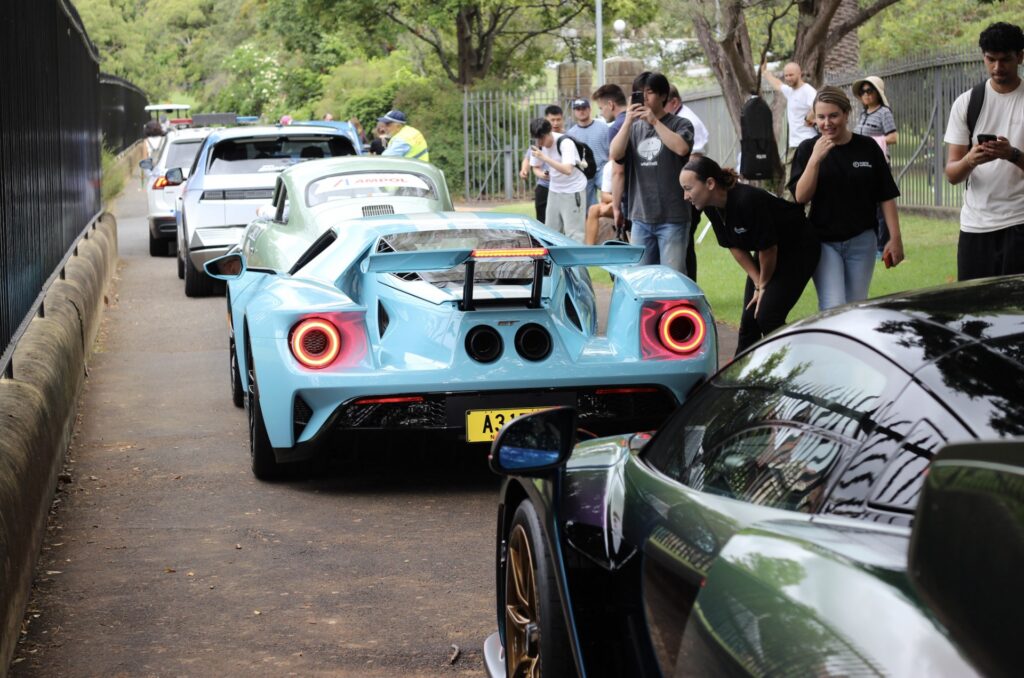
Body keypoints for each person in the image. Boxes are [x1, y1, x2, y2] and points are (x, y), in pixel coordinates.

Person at [681, 156, 819, 354]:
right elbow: (735, 246)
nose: (685, 196)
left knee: (767, 316)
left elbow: (769, 250)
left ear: (710, 183)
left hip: (798, 247)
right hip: (770, 250)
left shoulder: (746, 200)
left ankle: (794, 365)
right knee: (749, 319)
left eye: (688, 188)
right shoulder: (711, 206)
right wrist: (757, 283)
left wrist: (763, 286)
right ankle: (740, 376)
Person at [789, 86, 905, 311]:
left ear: (846, 113)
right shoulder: (807, 149)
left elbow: (886, 195)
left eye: (833, 116)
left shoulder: (867, 147)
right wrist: (815, 160)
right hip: (823, 242)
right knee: (833, 306)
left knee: (855, 307)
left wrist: (895, 237)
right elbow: (800, 196)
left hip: (862, 239)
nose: (827, 123)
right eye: (821, 117)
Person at [943, 21, 1024, 282]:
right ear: (983, 57)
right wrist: (970, 159)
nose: (997, 68)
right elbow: (953, 174)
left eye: (1005, 60)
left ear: (1020, 57)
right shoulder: (967, 103)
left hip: (1019, 221)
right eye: (991, 59)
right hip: (976, 226)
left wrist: (1012, 154)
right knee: (974, 315)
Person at [609, 71, 694, 272]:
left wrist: (655, 122)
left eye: (649, 92)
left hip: (673, 217)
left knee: (672, 277)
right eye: (639, 93)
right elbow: (615, 153)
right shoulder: (633, 128)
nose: (644, 97)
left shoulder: (680, 124)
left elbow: (682, 148)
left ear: (663, 96)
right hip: (640, 217)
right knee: (643, 277)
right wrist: (628, 121)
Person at [667, 84, 710, 280]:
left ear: (674, 102)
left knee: (684, 241)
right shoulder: (678, 119)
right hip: (683, 189)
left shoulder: (687, 120)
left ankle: (688, 285)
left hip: (691, 189)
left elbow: (695, 158)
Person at [852, 75, 899, 254]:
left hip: (878, 164)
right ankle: (871, 243)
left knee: (881, 206)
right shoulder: (863, 114)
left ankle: (882, 246)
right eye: (863, 91)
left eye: (869, 90)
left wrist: (872, 142)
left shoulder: (884, 112)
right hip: (862, 164)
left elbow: (894, 137)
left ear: (878, 94)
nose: (866, 94)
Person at [529, 117, 587, 242]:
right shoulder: (538, 145)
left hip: (573, 190)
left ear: (549, 132)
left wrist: (545, 158)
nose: (539, 142)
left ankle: (577, 262)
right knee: (550, 232)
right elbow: (535, 167)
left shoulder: (565, 143)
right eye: (537, 139)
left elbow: (567, 170)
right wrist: (542, 175)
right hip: (554, 190)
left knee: (574, 234)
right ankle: (554, 261)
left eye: (542, 138)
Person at [761, 61, 817, 173]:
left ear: (799, 74)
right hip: (794, 144)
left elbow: (818, 105)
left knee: (804, 177)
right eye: (786, 75)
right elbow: (777, 84)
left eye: (791, 75)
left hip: (807, 142)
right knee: (793, 179)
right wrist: (765, 72)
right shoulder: (790, 91)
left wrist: (809, 118)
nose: (788, 78)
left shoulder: (808, 90)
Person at [519, 106, 566, 223]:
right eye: (552, 120)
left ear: (562, 119)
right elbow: (529, 158)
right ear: (546, 120)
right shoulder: (539, 138)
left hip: (564, 187)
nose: (555, 123)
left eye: (558, 119)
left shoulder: (567, 139)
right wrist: (524, 170)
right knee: (542, 222)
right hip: (545, 185)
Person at [567, 98, 609, 210]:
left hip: (603, 169)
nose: (581, 111)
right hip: (585, 172)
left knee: (611, 196)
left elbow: (611, 149)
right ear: (574, 112)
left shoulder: (603, 127)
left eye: (584, 108)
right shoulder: (571, 134)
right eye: (578, 109)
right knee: (588, 208)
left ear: (589, 109)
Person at [666, 86, 709, 155]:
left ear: (674, 102)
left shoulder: (689, 122)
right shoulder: (676, 115)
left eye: (661, 104)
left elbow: (695, 156)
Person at [585, 161, 617, 245]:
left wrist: (614, 203)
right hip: (618, 204)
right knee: (593, 209)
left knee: (606, 208)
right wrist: (616, 202)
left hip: (634, 205)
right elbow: (604, 196)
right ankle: (589, 249)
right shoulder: (609, 166)